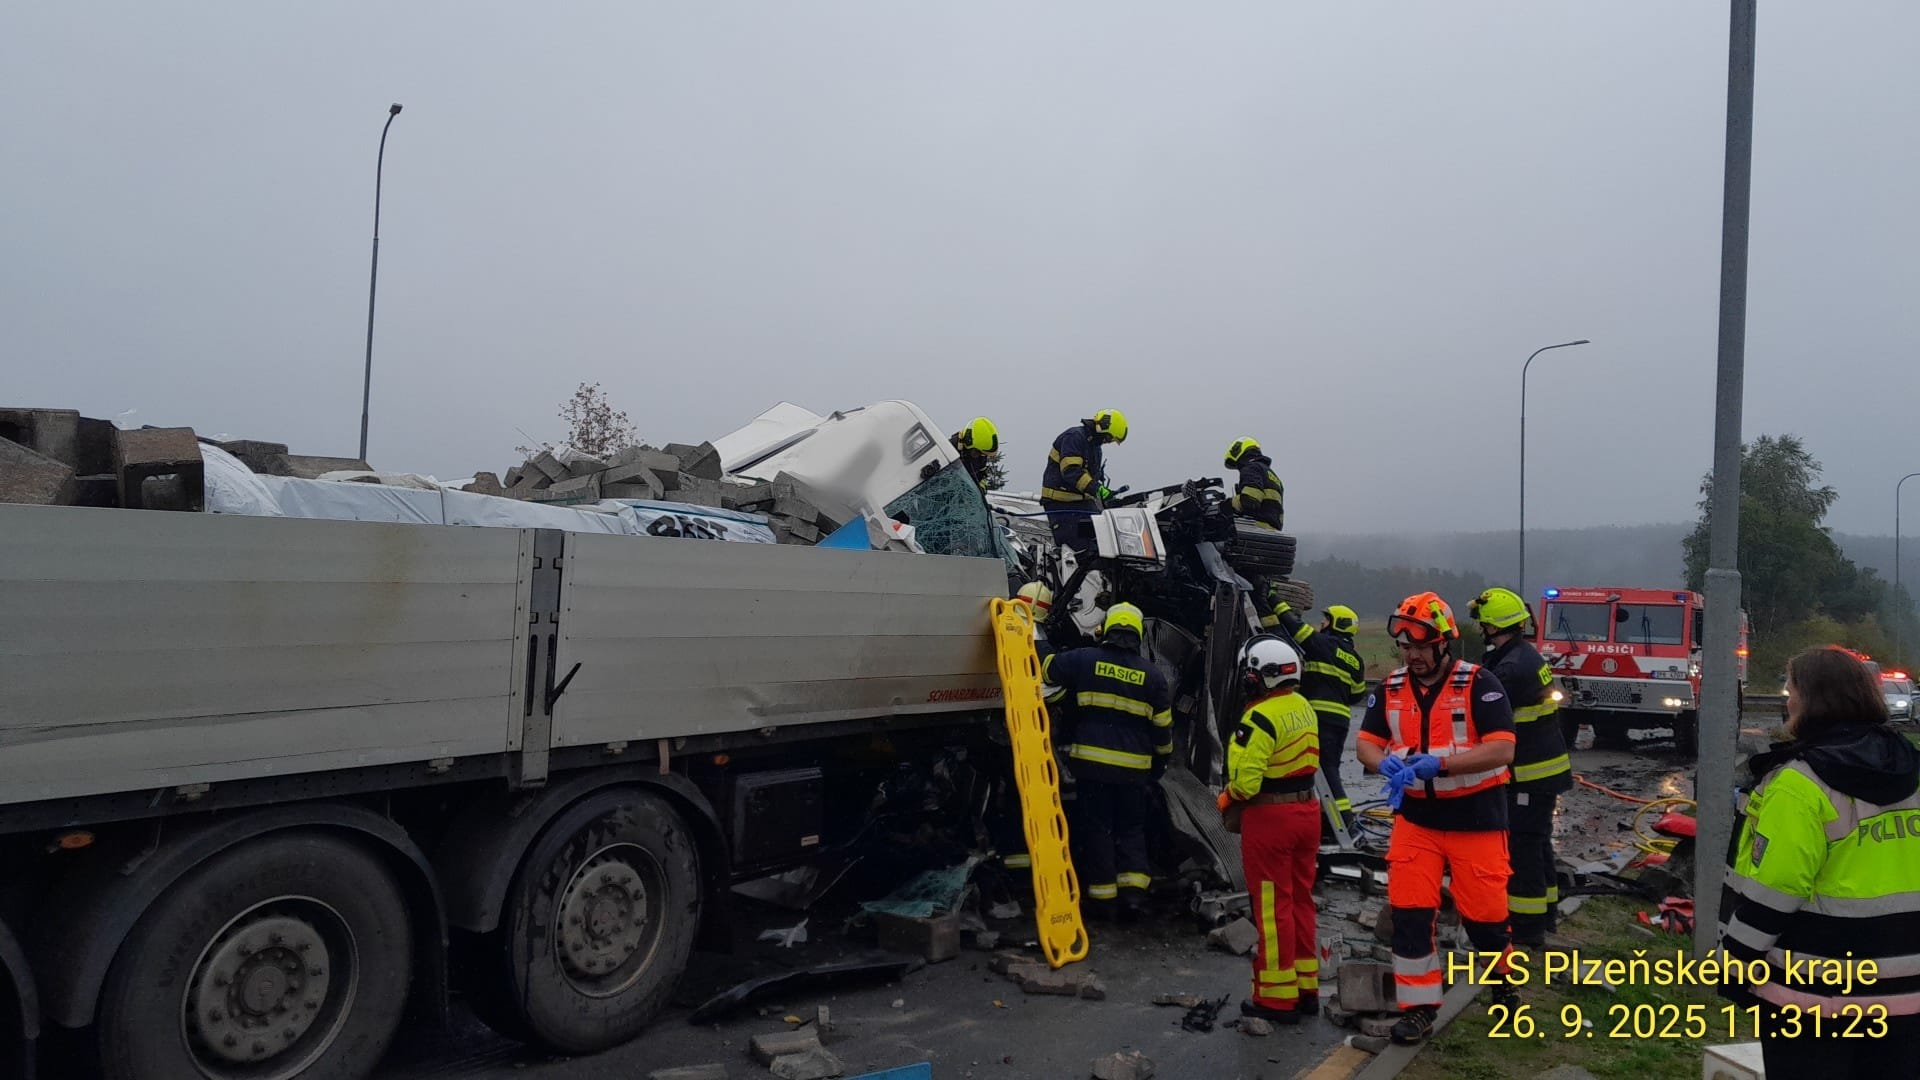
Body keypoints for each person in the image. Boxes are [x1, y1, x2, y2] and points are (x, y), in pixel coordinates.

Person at [1718, 646, 1920, 1073]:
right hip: (1907, 996)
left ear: (1811, 699)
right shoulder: (1912, 769)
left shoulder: (1799, 784)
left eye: (1791, 690)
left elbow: (1776, 891)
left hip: (1815, 996)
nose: (1787, 700)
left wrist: (1733, 966)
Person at [1354, 592, 1518, 1043]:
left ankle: (1504, 986)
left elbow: (1503, 748)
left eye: (1422, 647)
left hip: (1476, 819)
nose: (1413, 656)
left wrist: (1441, 765)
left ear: (1444, 643)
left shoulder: (1479, 683)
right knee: (1409, 915)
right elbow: (1366, 743)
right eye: (1406, 647)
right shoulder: (1391, 688)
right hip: (1416, 821)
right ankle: (1419, 1009)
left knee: (1487, 919)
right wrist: (1382, 763)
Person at [1217, 636, 1323, 1023]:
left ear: (1259, 675)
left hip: (1271, 819)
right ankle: (1306, 988)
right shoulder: (1303, 706)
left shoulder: (1258, 718)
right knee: (1300, 900)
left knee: (1271, 905)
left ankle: (1277, 998)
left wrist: (1225, 799)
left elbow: (1246, 783)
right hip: (1307, 812)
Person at [1043, 601, 1171, 921]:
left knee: (1098, 829)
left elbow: (1047, 668)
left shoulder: (1085, 660)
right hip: (1134, 773)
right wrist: (1158, 766)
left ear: (1107, 629)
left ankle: (1103, 900)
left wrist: (1036, 633)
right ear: (1138, 634)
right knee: (1131, 829)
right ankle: (1134, 897)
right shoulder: (1154, 678)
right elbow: (1162, 733)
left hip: (1092, 768)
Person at [1468, 587, 1570, 947]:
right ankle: (1545, 916)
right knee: (1538, 843)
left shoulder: (1511, 668)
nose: (1480, 628)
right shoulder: (1521, 656)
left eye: (1482, 623)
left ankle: (1526, 929)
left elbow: (1483, 715)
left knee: (1523, 849)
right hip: (1541, 770)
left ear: (1493, 625)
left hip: (1528, 775)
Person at [1266, 597, 1367, 832]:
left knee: (1324, 771)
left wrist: (1273, 599)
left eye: (1326, 620)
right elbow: (1357, 694)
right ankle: (1329, 822)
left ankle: (1344, 823)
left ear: (1338, 623)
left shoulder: (1323, 645)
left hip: (1319, 718)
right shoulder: (1356, 660)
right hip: (1341, 723)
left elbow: (1295, 628)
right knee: (1330, 769)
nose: (1322, 623)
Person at [1039, 410, 1128, 556]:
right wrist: (1097, 489)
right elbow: (1071, 471)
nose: (1108, 442)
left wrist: (1105, 496)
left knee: (1102, 542)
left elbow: (1092, 476)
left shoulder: (1094, 446)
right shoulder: (1074, 437)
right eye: (1109, 437)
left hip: (1081, 503)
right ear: (1102, 427)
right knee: (1080, 551)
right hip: (1061, 503)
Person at [1225, 436, 1284, 531]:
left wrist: (1226, 504)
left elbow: (1250, 500)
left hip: (1255, 527)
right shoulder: (1272, 476)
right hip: (1271, 532)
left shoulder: (1251, 468)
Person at [951, 416, 1001, 489]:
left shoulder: (981, 456)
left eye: (984, 454)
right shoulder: (949, 453)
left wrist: (981, 488)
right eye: (977, 453)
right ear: (968, 443)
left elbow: (982, 474)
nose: (982, 456)